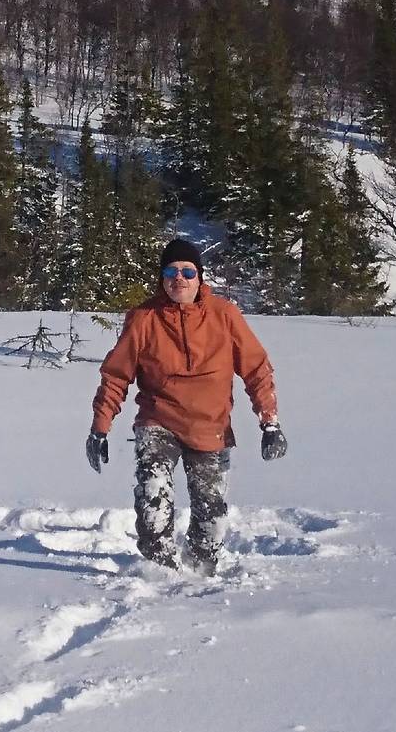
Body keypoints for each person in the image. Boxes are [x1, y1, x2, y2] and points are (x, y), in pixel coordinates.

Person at [86, 237, 286, 575]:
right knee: (153, 502)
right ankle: (160, 574)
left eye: (187, 271)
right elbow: (117, 376)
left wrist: (270, 423)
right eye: (171, 271)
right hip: (158, 422)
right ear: (162, 278)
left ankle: (197, 573)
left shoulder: (224, 315)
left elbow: (256, 368)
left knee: (211, 521)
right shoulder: (144, 319)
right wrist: (99, 428)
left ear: (200, 278)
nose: (179, 278)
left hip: (211, 428)